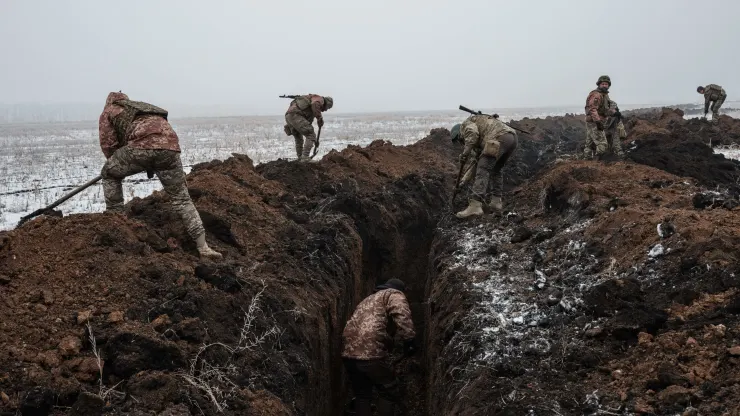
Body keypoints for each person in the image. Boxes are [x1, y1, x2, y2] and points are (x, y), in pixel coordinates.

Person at [98, 91, 222, 260]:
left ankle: (116, 221)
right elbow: (157, 135)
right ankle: (203, 247)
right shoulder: (139, 108)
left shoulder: (110, 110)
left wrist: (116, 164)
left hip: (141, 147)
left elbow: (109, 144)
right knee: (182, 199)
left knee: (109, 173)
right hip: (170, 148)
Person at [342, 278, 416, 416]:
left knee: (362, 394)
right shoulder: (393, 294)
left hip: (349, 353)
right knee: (389, 389)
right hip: (370, 353)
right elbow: (401, 313)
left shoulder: (368, 300)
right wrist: (409, 339)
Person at [451, 114, 518, 218]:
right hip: (511, 139)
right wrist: (463, 182)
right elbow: (475, 164)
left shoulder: (465, 125)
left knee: (483, 169)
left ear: (459, 135)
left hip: (499, 137)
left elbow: (472, 134)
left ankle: (475, 206)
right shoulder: (480, 141)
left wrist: (465, 153)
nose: (462, 143)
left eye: (460, 141)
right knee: (496, 169)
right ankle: (496, 202)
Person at [283, 94, 334, 161]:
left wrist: (315, 141)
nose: (326, 110)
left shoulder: (310, 104)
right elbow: (315, 104)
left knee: (299, 138)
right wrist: (319, 118)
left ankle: (300, 158)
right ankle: (304, 157)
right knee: (311, 134)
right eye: (328, 107)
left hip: (289, 116)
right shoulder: (319, 99)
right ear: (326, 103)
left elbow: (306, 125)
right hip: (296, 115)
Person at [584, 75, 618, 160]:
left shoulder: (604, 95)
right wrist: (598, 122)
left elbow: (605, 110)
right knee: (602, 144)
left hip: (594, 121)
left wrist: (614, 113)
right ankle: (599, 162)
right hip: (594, 122)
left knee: (589, 143)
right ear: (599, 84)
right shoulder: (597, 95)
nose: (604, 85)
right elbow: (593, 109)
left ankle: (586, 160)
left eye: (606, 84)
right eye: (603, 84)